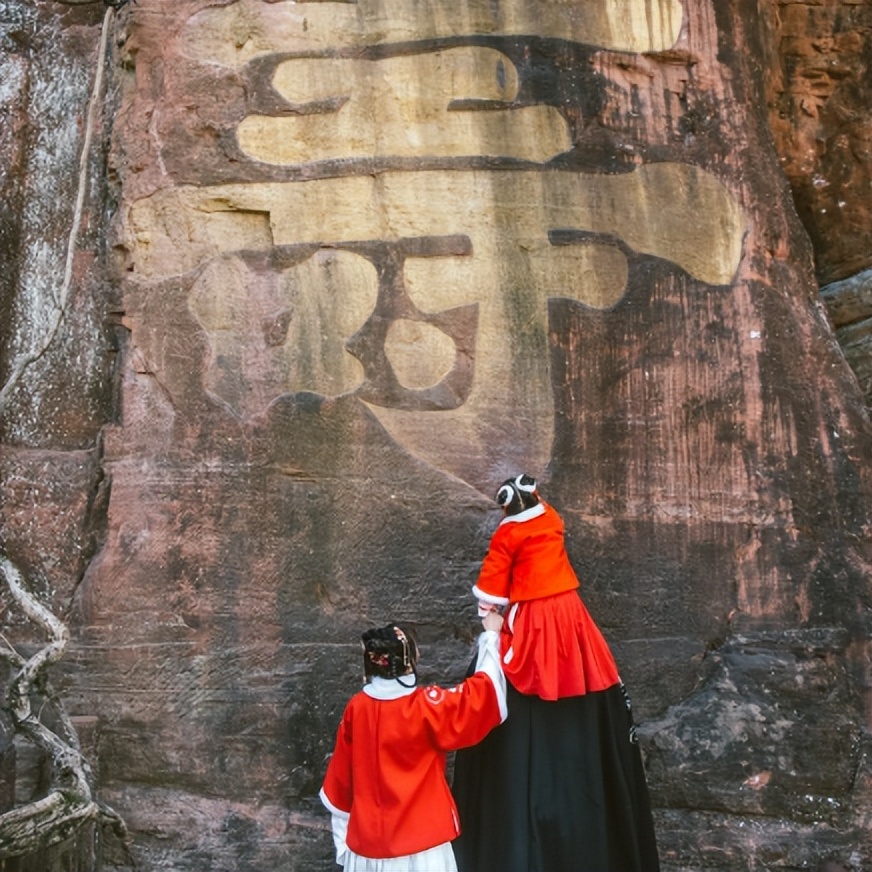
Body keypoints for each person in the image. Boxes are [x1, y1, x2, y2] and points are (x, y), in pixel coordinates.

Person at [452, 473, 660, 872]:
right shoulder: (552, 519)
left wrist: (490, 622)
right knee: (590, 674)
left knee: (500, 676)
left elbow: (492, 587)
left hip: (527, 619)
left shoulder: (507, 535)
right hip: (571, 617)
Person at [320, 611, 507, 872]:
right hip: (423, 849)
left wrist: (344, 845)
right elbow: (480, 697)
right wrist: (490, 637)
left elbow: (340, 783)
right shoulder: (425, 707)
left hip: (366, 847)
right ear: (408, 661)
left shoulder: (356, 708)